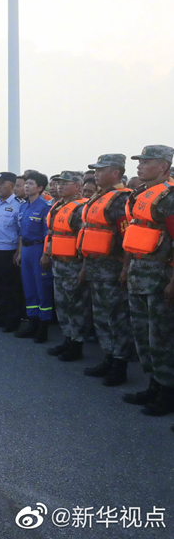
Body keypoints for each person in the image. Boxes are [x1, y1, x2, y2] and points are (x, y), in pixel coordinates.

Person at [120, 145, 174, 417]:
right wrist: (126, 268)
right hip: (138, 272)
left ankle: (168, 392)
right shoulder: (140, 194)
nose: (139, 166)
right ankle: (153, 384)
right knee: (142, 334)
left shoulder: (170, 198)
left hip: (160, 277)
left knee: (161, 336)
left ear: (163, 166)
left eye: (146, 162)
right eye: (139, 162)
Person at [78, 154, 134, 386]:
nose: (96, 174)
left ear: (116, 173)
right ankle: (109, 357)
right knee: (101, 316)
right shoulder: (99, 197)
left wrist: (125, 268)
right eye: (95, 170)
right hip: (96, 265)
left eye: (101, 170)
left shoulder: (121, 199)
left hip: (112, 268)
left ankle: (120, 364)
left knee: (117, 317)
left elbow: (128, 237)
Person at [43, 171, 90, 362]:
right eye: (59, 183)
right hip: (59, 262)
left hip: (73, 265)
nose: (60, 186)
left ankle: (77, 344)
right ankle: (68, 338)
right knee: (62, 304)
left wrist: (83, 269)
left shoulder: (81, 208)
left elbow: (85, 241)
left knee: (75, 305)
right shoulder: (59, 205)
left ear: (77, 187)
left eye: (65, 183)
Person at [14, 171, 53, 343]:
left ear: (40, 187)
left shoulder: (45, 207)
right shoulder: (23, 206)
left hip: (39, 249)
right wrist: (20, 252)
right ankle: (32, 323)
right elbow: (21, 232)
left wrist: (45, 254)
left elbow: (48, 234)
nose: (26, 186)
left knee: (42, 289)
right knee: (29, 288)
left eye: (30, 184)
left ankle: (43, 328)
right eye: (26, 183)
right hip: (27, 250)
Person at [0, 172, 24, 332]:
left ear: (12, 185)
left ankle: (12, 320)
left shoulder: (19, 204)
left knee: (11, 287)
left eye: (2, 183)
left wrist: (19, 251)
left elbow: (22, 231)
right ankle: (0, 316)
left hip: (9, 251)